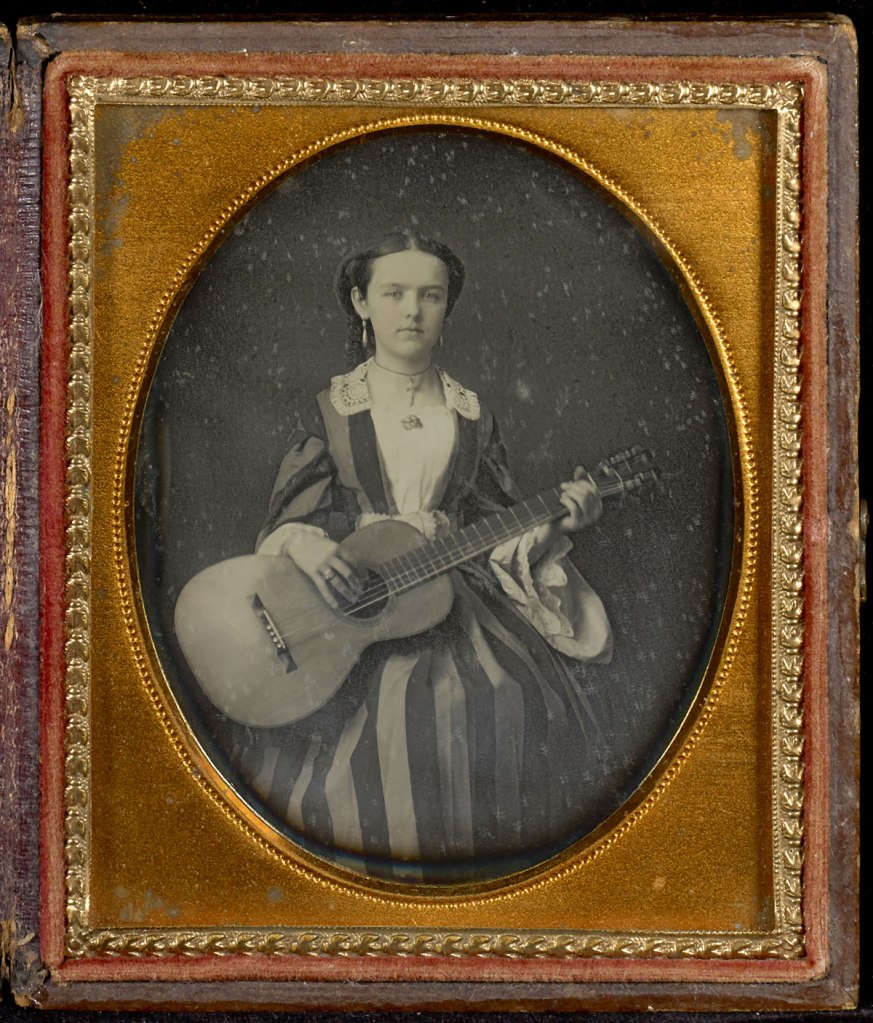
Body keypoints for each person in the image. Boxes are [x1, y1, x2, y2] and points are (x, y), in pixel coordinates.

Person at [233, 229, 612, 882]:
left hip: (455, 593)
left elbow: (496, 525)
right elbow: (291, 516)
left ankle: (479, 901)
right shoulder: (332, 409)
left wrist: (558, 519)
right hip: (352, 597)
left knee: (501, 694)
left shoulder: (470, 414)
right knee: (366, 730)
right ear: (360, 302)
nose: (411, 311)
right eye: (393, 293)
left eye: (429, 296)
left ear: (447, 306)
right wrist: (306, 540)